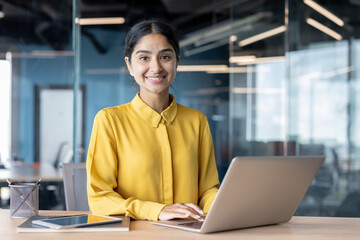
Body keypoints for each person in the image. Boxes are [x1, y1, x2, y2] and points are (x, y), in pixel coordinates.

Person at [86, 19, 219, 222]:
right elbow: (99, 198)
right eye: (144, 58)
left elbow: (208, 189)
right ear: (129, 65)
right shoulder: (109, 121)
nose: (156, 67)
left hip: (188, 234)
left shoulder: (197, 121)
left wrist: (223, 206)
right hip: (133, 234)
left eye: (165, 57)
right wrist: (157, 211)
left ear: (176, 62)